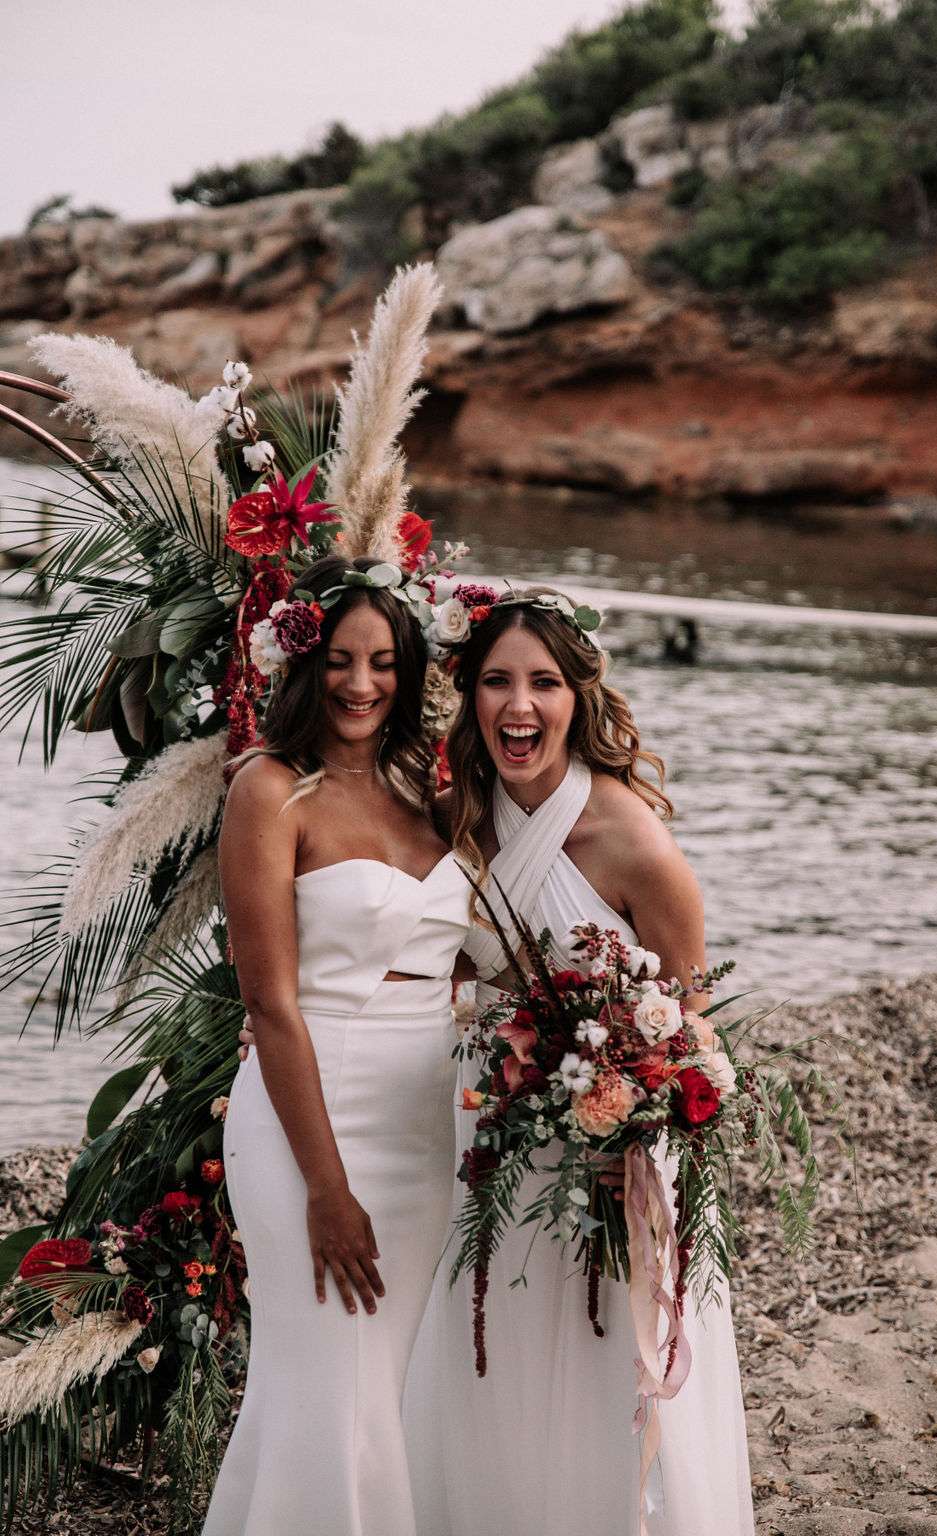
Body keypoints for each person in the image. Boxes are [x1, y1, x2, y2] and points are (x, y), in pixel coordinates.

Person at [403, 589, 756, 1536]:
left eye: (544, 684)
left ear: (580, 697)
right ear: (468, 696)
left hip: (613, 1162)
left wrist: (637, 1119)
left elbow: (695, 1029)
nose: (521, 707)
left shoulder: (635, 841)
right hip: (490, 1137)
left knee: (605, 1365)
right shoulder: (452, 818)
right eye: (498, 683)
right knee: (495, 1351)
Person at [202, 555, 471, 1536]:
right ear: (303, 666)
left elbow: (470, 959)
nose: (362, 684)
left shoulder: (427, 789)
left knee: (384, 1392)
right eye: (343, 662)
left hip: (425, 1130)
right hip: (310, 1123)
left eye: (384, 662)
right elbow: (270, 1003)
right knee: (330, 1385)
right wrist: (325, 1187)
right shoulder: (268, 791)